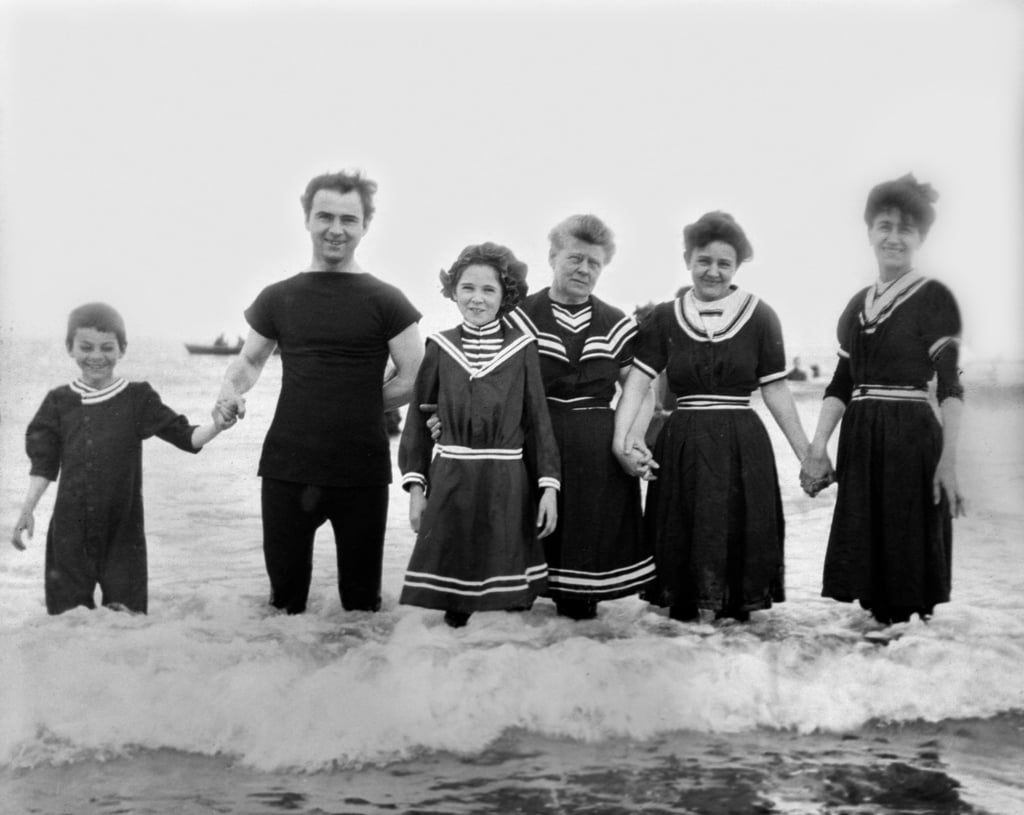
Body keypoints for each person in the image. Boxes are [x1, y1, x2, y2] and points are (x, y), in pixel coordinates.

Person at [215, 171, 423, 615]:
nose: (336, 229)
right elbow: (250, 361)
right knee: (284, 607)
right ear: (307, 219)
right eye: (324, 216)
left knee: (362, 608)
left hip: (362, 472)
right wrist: (229, 391)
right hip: (288, 469)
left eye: (349, 219)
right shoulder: (278, 297)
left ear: (365, 225)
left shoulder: (388, 301)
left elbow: (413, 375)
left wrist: (356, 402)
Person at [614, 212, 811, 622]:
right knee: (683, 550)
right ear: (688, 259)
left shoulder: (760, 315)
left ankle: (735, 652)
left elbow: (775, 388)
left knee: (739, 547)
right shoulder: (665, 317)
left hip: (742, 441)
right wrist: (622, 439)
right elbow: (638, 381)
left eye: (725, 263)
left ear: (737, 267)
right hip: (683, 440)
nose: (713, 271)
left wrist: (807, 453)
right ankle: (687, 641)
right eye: (704, 260)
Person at [801, 174, 965, 625]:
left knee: (908, 565)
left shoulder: (934, 298)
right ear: (870, 232)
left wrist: (949, 461)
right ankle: (875, 660)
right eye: (885, 226)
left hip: (911, 437)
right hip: (862, 435)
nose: (894, 237)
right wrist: (818, 447)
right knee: (872, 574)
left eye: (906, 229)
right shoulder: (856, 304)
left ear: (921, 237)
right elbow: (839, 384)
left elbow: (951, 387)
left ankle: (913, 665)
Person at [10, 303, 233, 614]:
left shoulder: (138, 398)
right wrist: (27, 510)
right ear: (70, 348)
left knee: (129, 627)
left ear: (122, 349)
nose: (96, 356)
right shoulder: (57, 402)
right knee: (68, 628)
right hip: (69, 534)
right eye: (86, 347)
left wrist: (217, 426)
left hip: (123, 536)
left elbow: (186, 436)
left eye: (107, 347)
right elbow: (44, 466)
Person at [399, 242, 560, 628]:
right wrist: (417, 491)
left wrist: (549, 488)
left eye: (489, 290)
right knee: (455, 605)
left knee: (511, 603)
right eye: (467, 287)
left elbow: (539, 422)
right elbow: (417, 427)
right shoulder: (440, 346)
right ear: (453, 291)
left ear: (505, 296)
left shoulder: (522, 349)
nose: (477, 299)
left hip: (507, 484)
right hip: (452, 481)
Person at [503, 214, 655, 620]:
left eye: (594, 263)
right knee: (520, 595)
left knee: (582, 598)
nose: (584, 269)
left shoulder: (615, 322)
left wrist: (630, 442)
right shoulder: (519, 316)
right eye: (575, 258)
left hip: (599, 460)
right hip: (534, 450)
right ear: (552, 257)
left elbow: (642, 391)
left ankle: (582, 661)